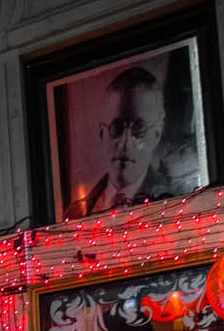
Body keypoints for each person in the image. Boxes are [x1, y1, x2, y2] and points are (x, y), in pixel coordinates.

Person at [67, 66, 169, 219]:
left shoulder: (173, 203)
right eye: (117, 127)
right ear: (102, 133)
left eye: (138, 128)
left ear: (156, 135)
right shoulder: (75, 214)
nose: (125, 143)